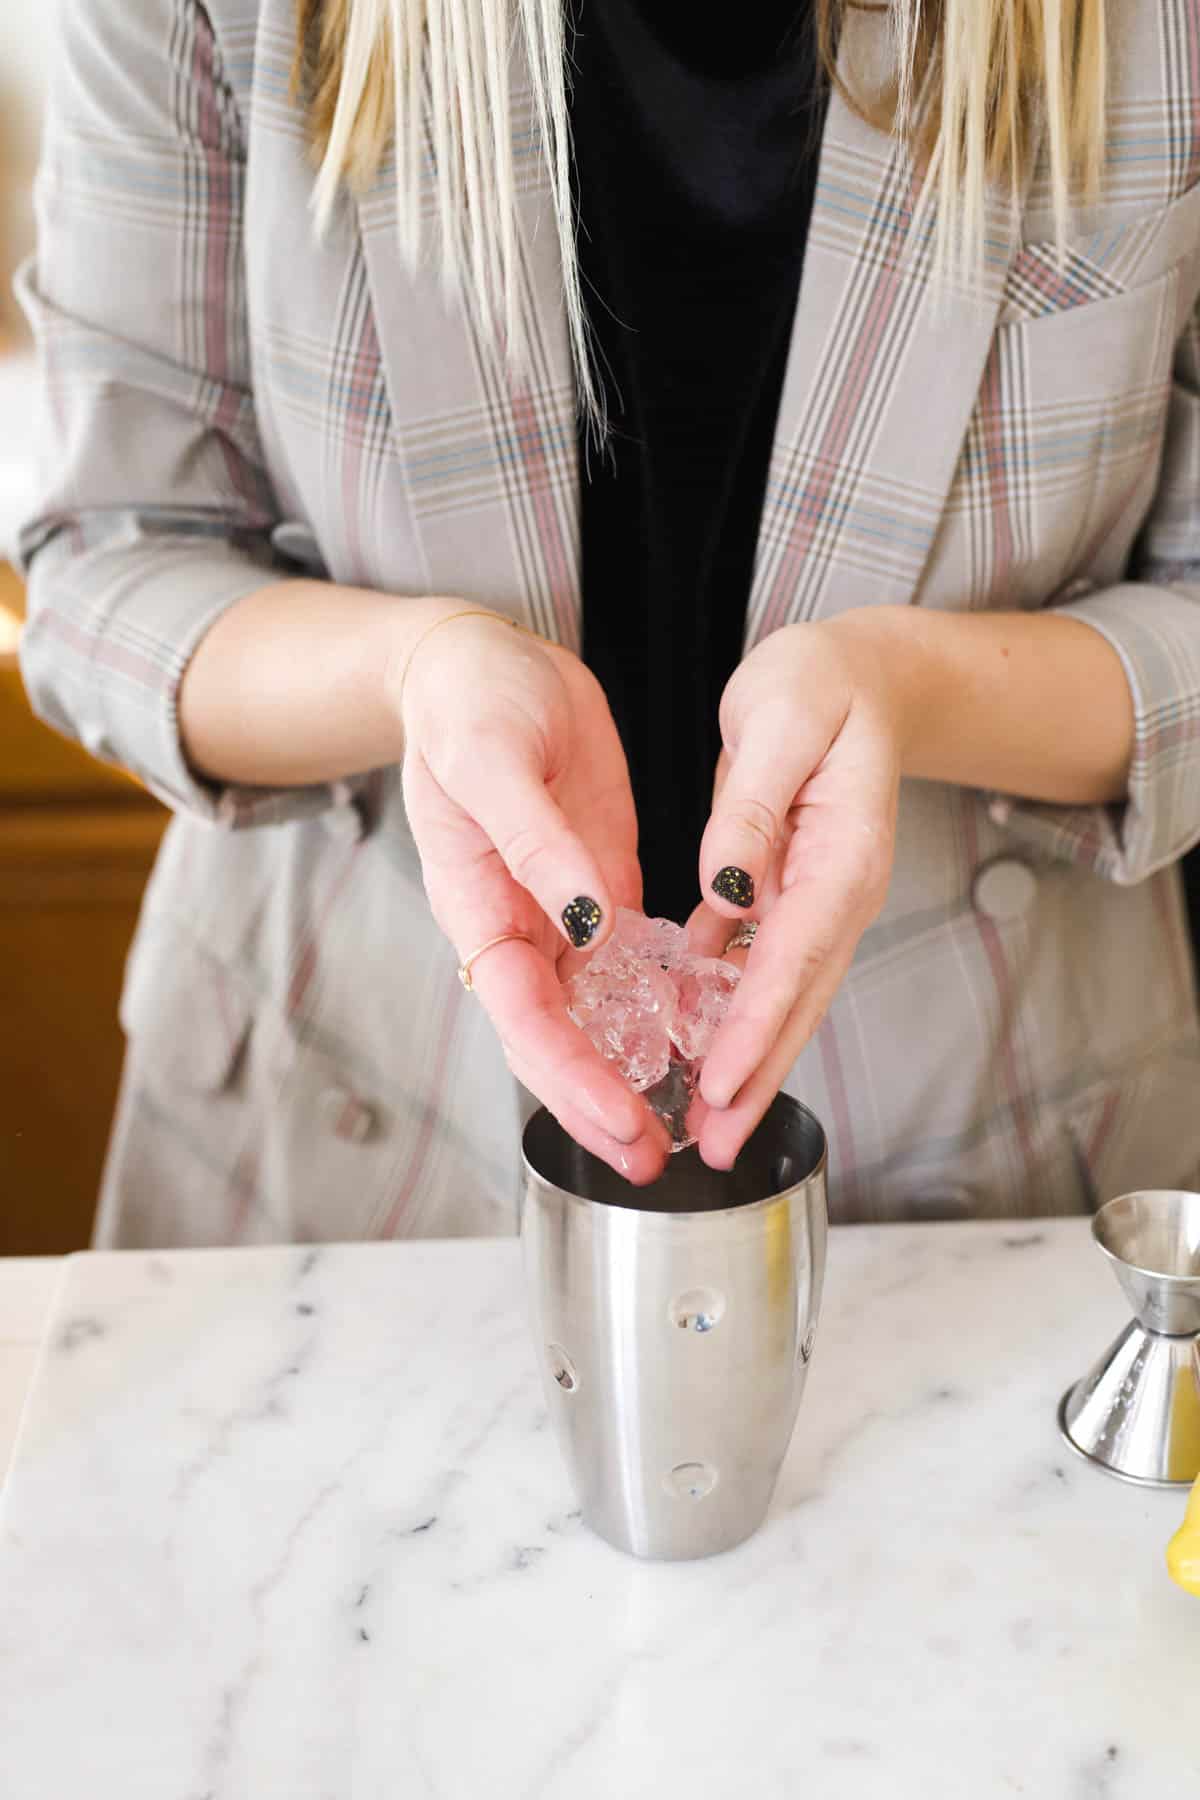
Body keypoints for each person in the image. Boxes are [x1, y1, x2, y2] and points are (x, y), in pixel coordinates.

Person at [15, 0, 1200, 1248]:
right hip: (340, 1135)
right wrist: (412, 672)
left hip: (990, 1168)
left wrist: (913, 688)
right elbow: (109, 560)